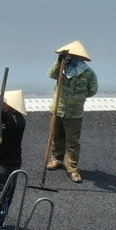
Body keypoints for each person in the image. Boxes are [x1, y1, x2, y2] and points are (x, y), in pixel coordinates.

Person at [46, 41, 98, 182]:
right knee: (56, 136)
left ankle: (73, 169)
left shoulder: (88, 74)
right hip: (58, 109)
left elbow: (92, 90)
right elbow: (51, 74)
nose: (70, 58)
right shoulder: (61, 68)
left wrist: (77, 99)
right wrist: (59, 60)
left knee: (72, 142)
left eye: (73, 56)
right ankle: (56, 158)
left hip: (74, 113)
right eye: (68, 56)